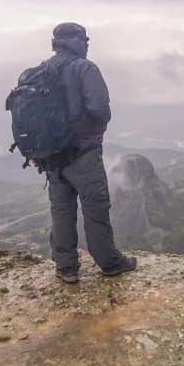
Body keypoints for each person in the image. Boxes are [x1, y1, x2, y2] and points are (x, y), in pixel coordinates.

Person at [39, 22, 136, 282]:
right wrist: (95, 130)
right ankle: (110, 262)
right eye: (85, 40)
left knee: (61, 210)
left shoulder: (43, 70)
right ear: (75, 41)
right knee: (96, 208)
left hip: (52, 157)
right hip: (83, 153)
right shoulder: (84, 68)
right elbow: (99, 108)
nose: (87, 45)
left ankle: (66, 267)